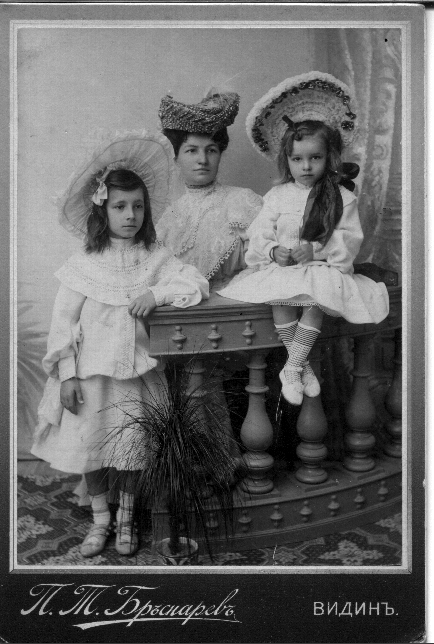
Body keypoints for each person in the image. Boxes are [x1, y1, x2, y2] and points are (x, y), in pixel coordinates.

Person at [31, 131, 209, 558]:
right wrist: (68, 375)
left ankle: (127, 519)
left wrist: (157, 294)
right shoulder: (84, 264)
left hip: (136, 375)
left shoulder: (156, 258)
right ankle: (100, 520)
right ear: (102, 209)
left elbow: (194, 283)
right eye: (120, 206)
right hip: (91, 375)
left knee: (131, 450)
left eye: (137, 206)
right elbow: (63, 323)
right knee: (92, 448)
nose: (130, 215)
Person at [218, 72, 389, 406]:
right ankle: (300, 366)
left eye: (315, 157)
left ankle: (293, 365)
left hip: (320, 267)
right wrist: (273, 251)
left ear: (330, 157)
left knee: (316, 297)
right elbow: (260, 233)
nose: (306, 166)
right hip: (284, 269)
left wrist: (316, 250)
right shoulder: (277, 195)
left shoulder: (341, 197)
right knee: (281, 296)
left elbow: (349, 238)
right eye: (297, 159)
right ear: (287, 160)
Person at [155, 90, 263, 289]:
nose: (203, 160)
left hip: (239, 300)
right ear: (176, 158)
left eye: (211, 150)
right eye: (191, 150)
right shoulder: (168, 218)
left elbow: (264, 262)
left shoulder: (243, 201)